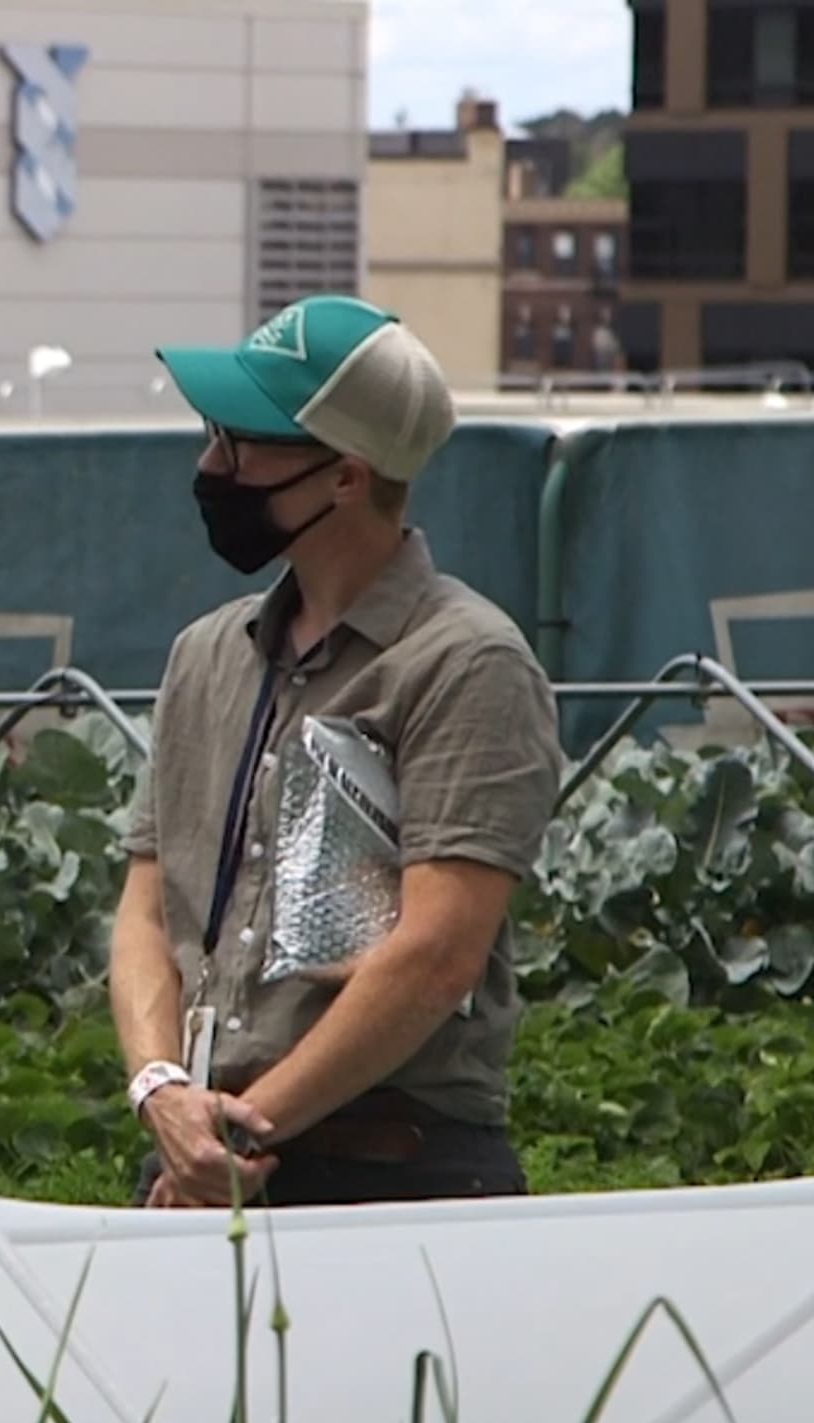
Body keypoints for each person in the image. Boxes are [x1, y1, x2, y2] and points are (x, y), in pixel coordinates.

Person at [108, 295, 562, 1210]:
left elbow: (437, 956)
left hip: (391, 1175)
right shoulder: (206, 656)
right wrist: (163, 1093)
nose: (210, 465)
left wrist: (232, 1136)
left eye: (240, 442)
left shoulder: (467, 662)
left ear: (346, 478)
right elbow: (147, 913)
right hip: (200, 1166)